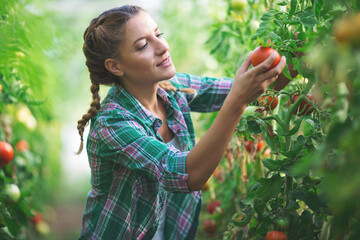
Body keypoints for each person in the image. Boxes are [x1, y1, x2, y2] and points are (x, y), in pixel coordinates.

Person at [76, 4, 286, 240]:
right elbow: (188, 173)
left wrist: (301, 52)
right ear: (116, 66)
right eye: (143, 45)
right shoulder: (111, 124)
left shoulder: (172, 88)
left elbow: (260, 85)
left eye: (158, 35)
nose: (163, 47)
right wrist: (237, 102)